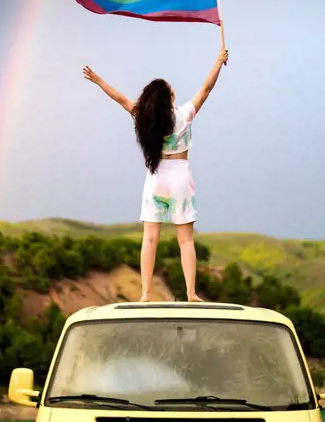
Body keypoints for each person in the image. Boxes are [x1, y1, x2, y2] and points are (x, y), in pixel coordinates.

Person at [83, 47, 229, 302]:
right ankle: (191, 293)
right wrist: (218, 61)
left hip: (156, 178)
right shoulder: (183, 115)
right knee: (185, 240)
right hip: (180, 179)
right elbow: (206, 89)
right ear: (169, 97)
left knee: (150, 239)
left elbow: (120, 99)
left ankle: (145, 293)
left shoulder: (144, 117)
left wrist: (98, 81)